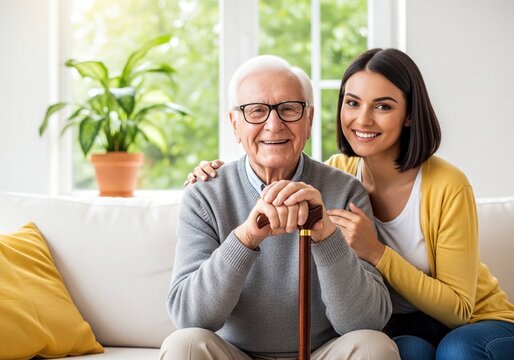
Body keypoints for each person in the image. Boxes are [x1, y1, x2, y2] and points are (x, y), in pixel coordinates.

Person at [184, 48, 514, 360]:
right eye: (353, 103)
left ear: (410, 115)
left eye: (383, 106)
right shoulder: (340, 174)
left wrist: (375, 251)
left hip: (473, 319)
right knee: (406, 352)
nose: (363, 120)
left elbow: (459, 309)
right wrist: (217, 175)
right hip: (408, 324)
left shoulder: (446, 185)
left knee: (456, 352)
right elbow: (270, 152)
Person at [160, 54, 399, 360]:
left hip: (320, 353)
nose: (274, 125)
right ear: (235, 124)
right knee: (185, 345)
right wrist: (246, 237)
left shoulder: (344, 191)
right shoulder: (206, 194)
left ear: (309, 120)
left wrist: (326, 236)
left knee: (374, 347)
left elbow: (366, 321)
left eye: (288, 109)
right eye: (256, 111)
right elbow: (190, 317)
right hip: (234, 354)